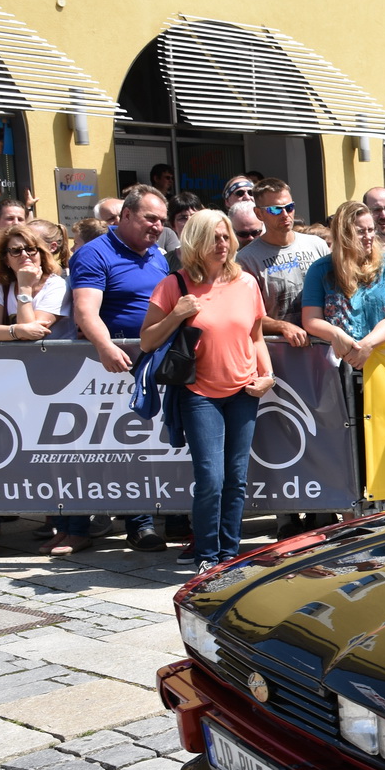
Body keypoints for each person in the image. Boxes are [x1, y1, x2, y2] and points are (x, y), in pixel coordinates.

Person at [140, 210, 272, 572]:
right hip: (199, 394)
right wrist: (176, 315)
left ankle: (229, 555)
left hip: (244, 390)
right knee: (211, 479)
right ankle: (207, 557)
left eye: (226, 236)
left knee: (237, 477)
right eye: (214, 237)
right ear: (195, 242)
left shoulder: (245, 283)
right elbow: (148, 341)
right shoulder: (174, 286)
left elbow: (255, 336)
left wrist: (268, 374)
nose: (222, 244)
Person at [69, 185, 171, 552]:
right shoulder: (95, 254)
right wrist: (106, 345)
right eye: (150, 218)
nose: (158, 226)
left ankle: (162, 518)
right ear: (126, 216)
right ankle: (138, 524)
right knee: (121, 449)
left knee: (153, 445)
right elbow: (85, 311)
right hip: (114, 367)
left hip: (156, 360)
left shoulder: (156, 254)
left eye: (161, 220)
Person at [301, 200, 385, 373]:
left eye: (370, 230)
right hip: (336, 367)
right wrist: (335, 334)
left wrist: (367, 345)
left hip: (383, 362)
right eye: (360, 232)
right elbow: (310, 319)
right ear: (343, 234)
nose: (369, 237)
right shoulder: (319, 269)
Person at [238, 179, 327, 353]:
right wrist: (282, 326)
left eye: (289, 207)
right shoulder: (246, 260)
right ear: (259, 214)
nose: (285, 214)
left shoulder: (317, 245)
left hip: (322, 349)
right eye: (275, 209)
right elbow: (245, 316)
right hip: (278, 354)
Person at [0, 223, 71, 344]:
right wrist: (18, 330)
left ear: (41, 254)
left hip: (57, 358)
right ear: (6, 259)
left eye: (31, 249)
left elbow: (30, 335)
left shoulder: (57, 285)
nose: (24, 255)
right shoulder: (2, 287)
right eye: (16, 251)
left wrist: (25, 287)